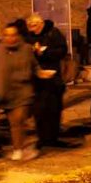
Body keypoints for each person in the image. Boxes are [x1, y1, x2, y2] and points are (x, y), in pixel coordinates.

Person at [0, 24, 40, 161]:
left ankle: (19, 148)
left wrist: (40, 72)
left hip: (23, 91)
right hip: (7, 92)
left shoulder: (26, 49)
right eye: (7, 35)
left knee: (18, 120)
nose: (10, 38)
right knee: (14, 124)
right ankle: (21, 146)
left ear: (18, 36)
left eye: (12, 35)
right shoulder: (0, 51)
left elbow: (34, 65)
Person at [26, 13, 68, 147]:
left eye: (34, 25)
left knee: (54, 108)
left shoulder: (53, 33)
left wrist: (45, 52)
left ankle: (53, 137)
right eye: (30, 26)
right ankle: (42, 138)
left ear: (41, 24)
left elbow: (62, 50)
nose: (32, 28)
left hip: (53, 77)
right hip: (36, 79)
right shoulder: (29, 37)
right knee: (39, 109)